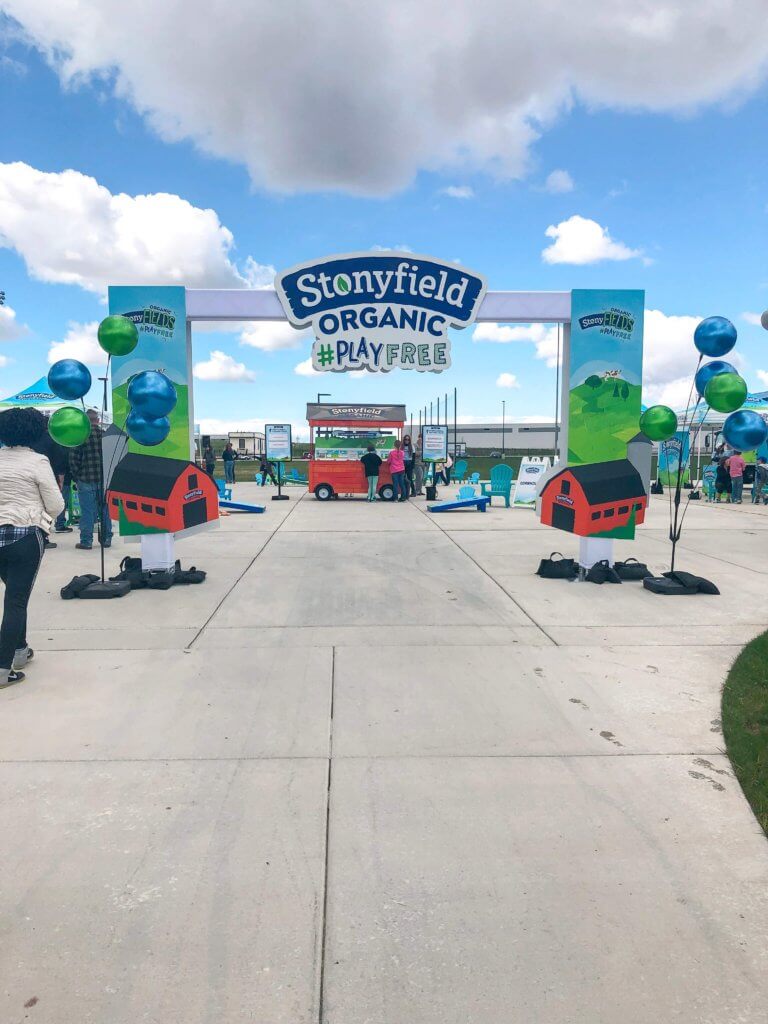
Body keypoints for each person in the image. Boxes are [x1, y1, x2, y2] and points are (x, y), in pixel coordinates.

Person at [0, 408, 65, 687]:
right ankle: (4, 668)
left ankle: (20, 650)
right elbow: (56, 504)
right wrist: (44, 521)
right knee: (16, 600)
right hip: (25, 536)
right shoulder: (37, 461)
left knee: (14, 596)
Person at [70, 409, 113, 550]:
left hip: (86, 479)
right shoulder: (106, 435)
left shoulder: (80, 436)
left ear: (85, 421)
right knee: (105, 511)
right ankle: (106, 539)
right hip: (105, 480)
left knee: (87, 512)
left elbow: (73, 459)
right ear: (98, 420)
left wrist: (77, 476)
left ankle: (86, 541)